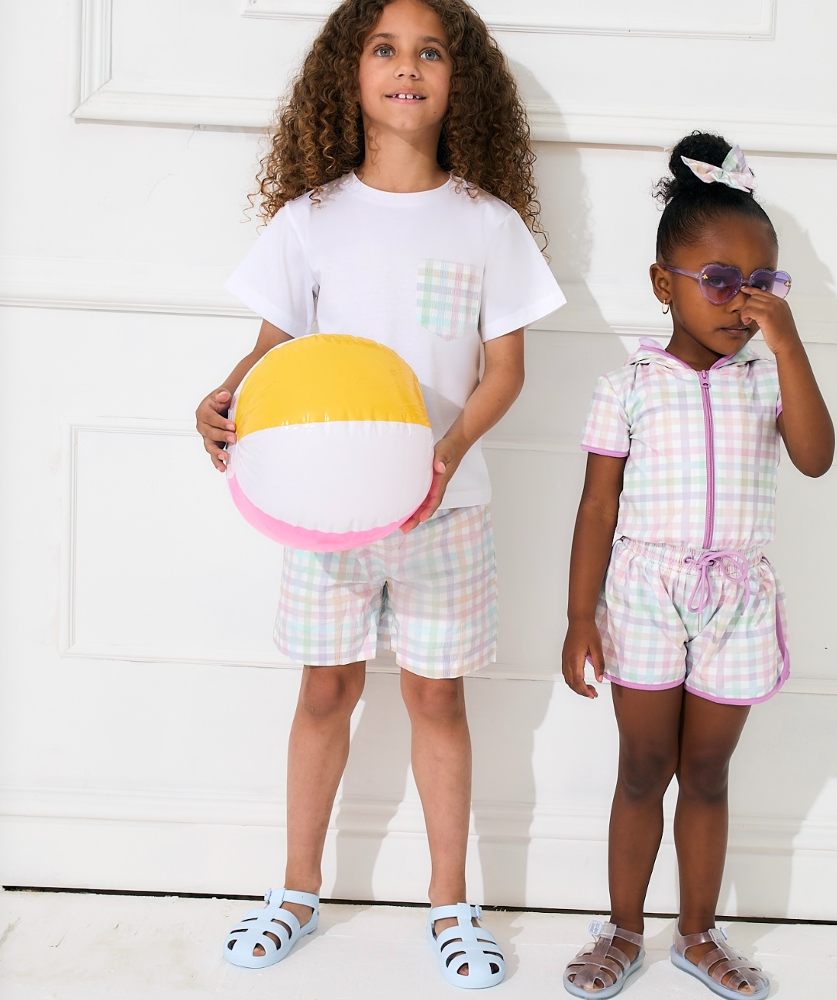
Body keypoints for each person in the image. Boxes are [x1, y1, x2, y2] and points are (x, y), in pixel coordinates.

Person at [194, 0, 564, 987]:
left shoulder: (488, 224)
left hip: (446, 511)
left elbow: (504, 370)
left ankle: (451, 904)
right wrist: (227, 399)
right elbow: (273, 352)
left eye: (431, 51)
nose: (409, 67)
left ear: (461, 79)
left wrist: (447, 451)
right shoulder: (308, 221)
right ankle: (296, 890)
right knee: (324, 689)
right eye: (385, 49)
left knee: (437, 698)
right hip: (325, 516)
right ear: (347, 75)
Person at [560, 132, 834, 1000]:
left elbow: (818, 457)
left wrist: (788, 350)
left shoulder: (765, 380)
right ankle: (622, 929)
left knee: (708, 772)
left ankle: (698, 933)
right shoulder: (629, 385)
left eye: (761, 284)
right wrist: (578, 616)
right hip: (645, 595)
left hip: (737, 602)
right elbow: (598, 506)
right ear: (662, 284)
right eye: (718, 280)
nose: (739, 301)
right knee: (643, 768)